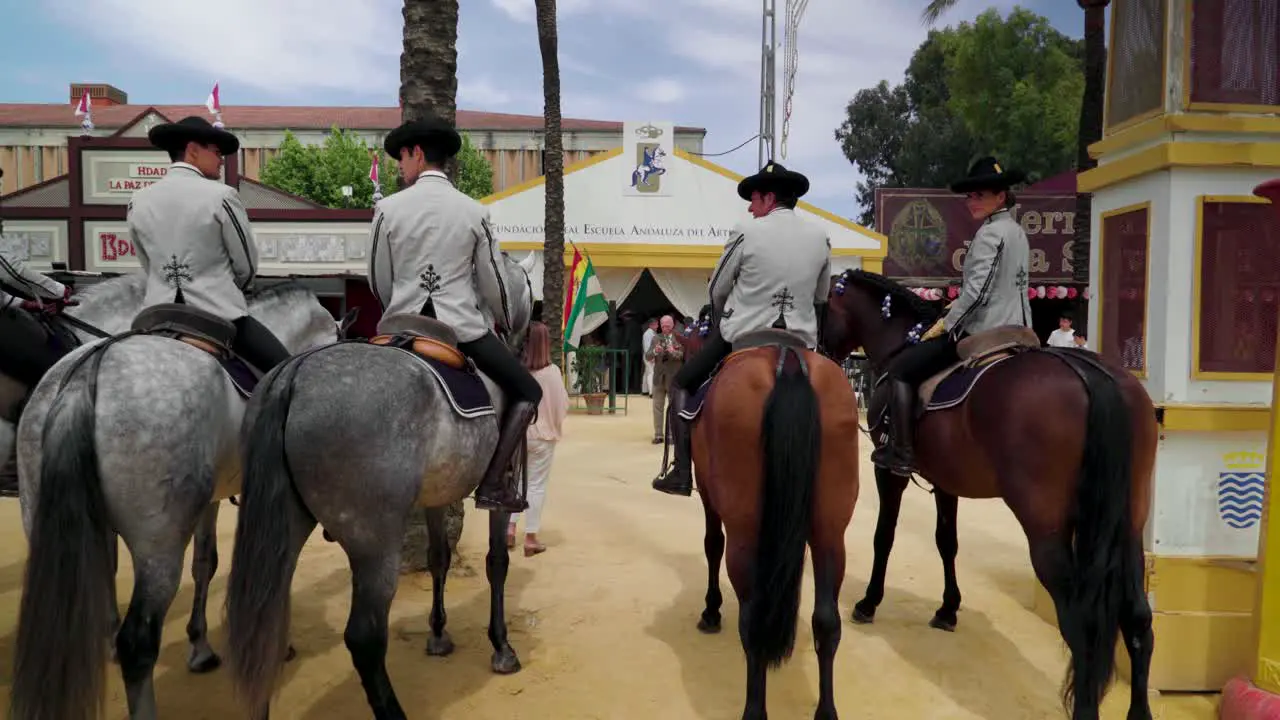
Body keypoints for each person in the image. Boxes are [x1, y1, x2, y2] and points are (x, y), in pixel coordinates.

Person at [368, 117, 543, 513]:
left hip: (401, 326)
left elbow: (379, 280)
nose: (399, 166)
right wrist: (503, 320)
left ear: (416, 154)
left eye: (401, 157)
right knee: (529, 391)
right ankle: (494, 483)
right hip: (460, 329)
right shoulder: (474, 211)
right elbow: (496, 285)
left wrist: (396, 310)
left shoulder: (387, 209)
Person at [652, 161, 831, 496]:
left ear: (768, 198)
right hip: (802, 342)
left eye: (754, 199)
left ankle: (680, 471)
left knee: (680, 384)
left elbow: (717, 287)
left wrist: (723, 319)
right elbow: (821, 296)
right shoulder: (821, 236)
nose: (750, 207)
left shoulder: (746, 231)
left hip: (746, 336)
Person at [873, 156, 1033, 476]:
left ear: (1000, 197)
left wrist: (946, 324)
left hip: (987, 329)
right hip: (1021, 327)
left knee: (901, 370)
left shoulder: (990, 234)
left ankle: (902, 453)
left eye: (980, 195)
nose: (971, 201)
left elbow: (977, 293)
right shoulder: (1016, 231)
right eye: (970, 195)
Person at [129, 116, 291, 373]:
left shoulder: (138, 199)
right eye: (216, 152)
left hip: (156, 314)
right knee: (286, 372)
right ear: (193, 150)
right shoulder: (222, 196)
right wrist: (234, 290)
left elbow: (147, 262)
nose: (221, 159)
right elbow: (246, 264)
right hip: (216, 311)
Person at [507, 321, 568, 556]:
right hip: (544, 436)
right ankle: (530, 536)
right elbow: (562, 406)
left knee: (517, 482)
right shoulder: (552, 372)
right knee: (536, 485)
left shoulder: (519, 371)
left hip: (520, 434)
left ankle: (510, 529)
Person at [647, 315, 685, 444]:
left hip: (673, 378)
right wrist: (655, 351)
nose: (665, 328)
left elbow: (682, 356)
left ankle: (671, 435)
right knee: (657, 407)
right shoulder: (655, 338)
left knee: (672, 407)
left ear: (672, 325)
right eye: (663, 326)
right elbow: (647, 356)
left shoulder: (679, 338)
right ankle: (658, 435)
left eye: (667, 326)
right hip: (658, 378)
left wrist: (672, 351)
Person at [641, 318, 657, 396]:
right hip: (649, 355)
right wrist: (651, 356)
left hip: (649, 354)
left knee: (647, 372)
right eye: (656, 324)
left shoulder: (652, 333)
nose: (657, 326)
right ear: (651, 325)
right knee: (651, 373)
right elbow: (647, 346)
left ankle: (645, 390)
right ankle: (651, 392)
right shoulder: (648, 334)